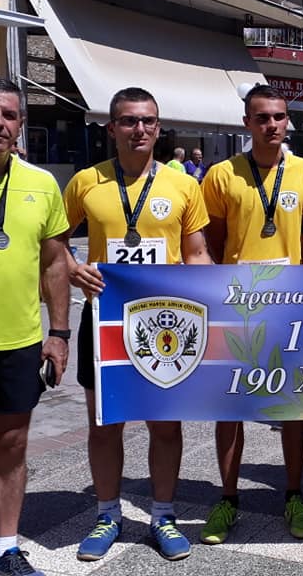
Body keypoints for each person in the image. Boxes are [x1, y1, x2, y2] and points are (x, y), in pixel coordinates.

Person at [63, 87, 212, 562]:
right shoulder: (86, 182)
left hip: (167, 325)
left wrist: (220, 297)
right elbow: (54, 241)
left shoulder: (182, 185)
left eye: (148, 121)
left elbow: (196, 254)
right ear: (112, 128)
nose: (139, 129)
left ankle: (163, 515)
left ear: (158, 127)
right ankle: (108, 514)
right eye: (129, 121)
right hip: (105, 322)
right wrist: (72, 267)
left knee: (164, 426)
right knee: (105, 425)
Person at [198, 84, 303, 546]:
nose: (271, 125)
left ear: (287, 121)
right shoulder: (222, 175)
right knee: (230, 405)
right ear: (247, 123)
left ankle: (294, 494)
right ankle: (227, 498)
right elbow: (214, 241)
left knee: (293, 406)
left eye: (278, 116)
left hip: (291, 306)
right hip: (238, 305)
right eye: (262, 117)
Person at [0, 78, 70, 576]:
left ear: (19, 126)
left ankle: (5, 548)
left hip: (17, 343)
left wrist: (59, 333)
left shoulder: (41, 184)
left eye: (8, 115)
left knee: (11, 448)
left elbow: (55, 263)